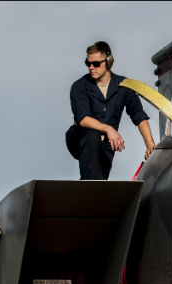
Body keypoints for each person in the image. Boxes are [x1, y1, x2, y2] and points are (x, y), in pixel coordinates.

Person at [66, 41, 155, 180]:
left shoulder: (123, 86)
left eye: (96, 64)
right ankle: (87, 191)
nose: (91, 67)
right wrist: (108, 129)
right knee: (91, 138)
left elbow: (139, 115)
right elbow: (83, 118)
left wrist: (150, 145)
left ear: (108, 62)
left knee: (100, 180)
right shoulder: (79, 86)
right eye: (88, 63)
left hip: (106, 143)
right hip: (80, 137)